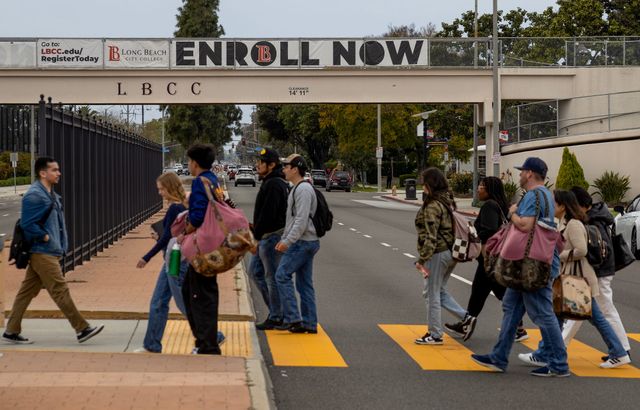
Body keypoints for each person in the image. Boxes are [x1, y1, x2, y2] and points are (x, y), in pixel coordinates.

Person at [471, 157, 569, 377]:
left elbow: (525, 225)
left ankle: (559, 364)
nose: (519, 175)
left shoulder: (535, 195)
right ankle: (498, 357)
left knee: (543, 314)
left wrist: (512, 211)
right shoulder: (545, 195)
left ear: (530, 173)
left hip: (531, 265)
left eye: (522, 171)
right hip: (533, 263)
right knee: (511, 307)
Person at [519, 190, 630, 369]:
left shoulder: (574, 225)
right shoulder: (565, 222)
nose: (552, 207)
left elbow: (581, 250)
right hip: (571, 280)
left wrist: (559, 255)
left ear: (563, 206)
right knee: (559, 317)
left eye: (554, 204)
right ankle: (545, 353)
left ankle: (618, 352)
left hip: (578, 280)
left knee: (592, 318)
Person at [3, 157, 104, 344]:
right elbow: (27, 224)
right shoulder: (34, 195)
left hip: (50, 249)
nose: (59, 173)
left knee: (26, 292)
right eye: (54, 170)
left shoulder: (50, 194)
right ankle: (82, 328)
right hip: (42, 251)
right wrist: (44, 237)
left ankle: (11, 330)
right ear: (43, 173)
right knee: (59, 289)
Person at [445, 177, 528, 342]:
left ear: (490, 189)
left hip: (489, 257)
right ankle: (468, 323)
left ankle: (517, 328)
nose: (478, 189)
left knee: (491, 291)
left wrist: (473, 236)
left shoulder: (490, 205)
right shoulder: (501, 206)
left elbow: (490, 230)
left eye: (482, 186)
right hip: (495, 257)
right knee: (483, 291)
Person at [568, 186, 631, 361]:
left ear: (580, 204)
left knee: (591, 311)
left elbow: (597, 250)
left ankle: (622, 349)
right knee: (588, 311)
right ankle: (623, 348)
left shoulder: (593, 220)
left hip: (600, 271)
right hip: (603, 270)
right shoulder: (598, 216)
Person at [133, 172, 190, 353]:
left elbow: (167, 237)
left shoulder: (175, 208)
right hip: (174, 259)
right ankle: (151, 344)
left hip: (174, 260)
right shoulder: (183, 205)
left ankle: (213, 335)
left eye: (161, 189)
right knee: (159, 301)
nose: (160, 193)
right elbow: (170, 234)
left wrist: (146, 257)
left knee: (183, 303)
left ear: (170, 188)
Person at [413, 167, 469, 345]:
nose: (423, 188)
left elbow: (431, 236)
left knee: (431, 293)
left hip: (437, 253)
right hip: (451, 251)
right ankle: (466, 317)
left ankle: (435, 334)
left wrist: (422, 260)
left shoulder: (432, 206)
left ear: (431, 184)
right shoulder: (447, 200)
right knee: (438, 290)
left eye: (424, 184)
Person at [179, 144, 222, 355]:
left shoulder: (199, 182)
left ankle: (207, 344)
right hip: (214, 245)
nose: (188, 165)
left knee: (199, 295)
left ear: (195, 163)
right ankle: (205, 340)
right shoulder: (213, 180)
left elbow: (197, 216)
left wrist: (184, 231)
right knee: (194, 291)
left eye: (189, 161)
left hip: (203, 248)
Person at [274, 154, 321, 334]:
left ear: (295, 169)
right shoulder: (298, 188)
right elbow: (293, 219)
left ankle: (294, 318)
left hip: (303, 242)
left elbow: (300, 221)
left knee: (281, 275)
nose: (284, 169)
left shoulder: (302, 190)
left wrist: (287, 241)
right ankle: (309, 322)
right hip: (306, 241)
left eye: (286, 166)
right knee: (304, 284)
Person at [252, 148, 289, 330]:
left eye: (261, 162)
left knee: (271, 277)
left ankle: (278, 315)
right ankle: (277, 311)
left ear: (272, 165)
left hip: (271, 237)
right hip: (265, 237)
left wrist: (256, 236)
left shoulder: (274, 184)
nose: (258, 165)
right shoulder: (270, 182)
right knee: (256, 272)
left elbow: (269, 215)